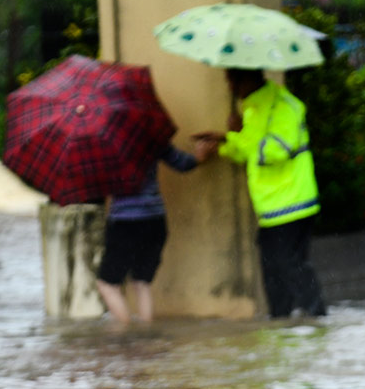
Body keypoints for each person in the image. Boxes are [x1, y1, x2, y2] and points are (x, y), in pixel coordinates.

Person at [197, 68, 326, 319]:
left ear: (247, 79)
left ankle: (318, 317)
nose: (230, 90)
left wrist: (237, 134)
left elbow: (277, 150)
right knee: (273, 269)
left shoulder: (282, 105)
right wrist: (225, 142)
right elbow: (249, 152)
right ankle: (280, 321)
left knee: (290, 265)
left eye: (232, 83)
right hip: (272, 206)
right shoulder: (254, 108)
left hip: (292, 200)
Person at [96, 143, 213, 324]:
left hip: (124, 223)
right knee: (142, 284)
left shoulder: (105, 147)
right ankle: (146, 338)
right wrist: (199, 156)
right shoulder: (152, 137)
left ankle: (124, 338)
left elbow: (97, 186)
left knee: (108, 285)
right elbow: (183, 164)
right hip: (155, 221)